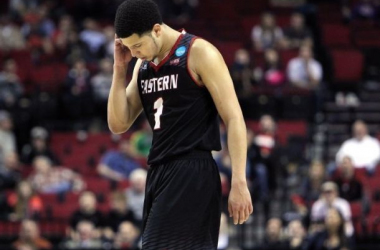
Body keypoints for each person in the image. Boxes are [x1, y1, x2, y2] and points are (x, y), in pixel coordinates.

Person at [109, 0, 252, 248]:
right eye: (129, 48)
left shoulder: (200, 52)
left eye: (138, 45)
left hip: (191, 169)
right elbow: (118, 123)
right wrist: (119, 68)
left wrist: (239, 181)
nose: (134, 53)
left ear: (156, 29)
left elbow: (234, 118)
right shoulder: (142, 66)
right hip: (158, 172)